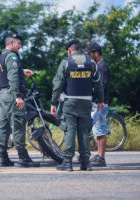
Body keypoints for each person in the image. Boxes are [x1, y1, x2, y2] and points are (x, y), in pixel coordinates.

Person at [51, 39, 104, 172]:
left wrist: (53, 102)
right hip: (86, 102)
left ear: (70, 50)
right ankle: (86, 163)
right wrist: (101, 101)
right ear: (81, 50)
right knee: (84, 132)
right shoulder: (91, 62)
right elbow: (99, 83)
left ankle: (67, 162)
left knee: (70, 130)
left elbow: (58, 85)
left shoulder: (66, 62)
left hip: (70, 102)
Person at [0, 34, 40, 167]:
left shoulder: (1, 56)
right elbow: (13, 77)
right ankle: (23, 158)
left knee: (3, 125)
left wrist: (22, 71)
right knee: (19, 124)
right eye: (18, 43)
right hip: (11, 94)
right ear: (11, 42)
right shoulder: (12, 56)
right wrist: (18, 96)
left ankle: (2, 157)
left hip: (3, 94)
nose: (20, 46)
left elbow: (7, 72)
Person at [85, 42, 110, 167]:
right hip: (94, 103)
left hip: (100, 103)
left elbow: (102, 85)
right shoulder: (96, 66)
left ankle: (101, 157)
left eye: (89, 54)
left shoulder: (102, 66)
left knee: (100, 130)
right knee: (90, 129)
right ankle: (87, 154)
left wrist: (90, 91)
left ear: (96, 53)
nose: (88, 56)